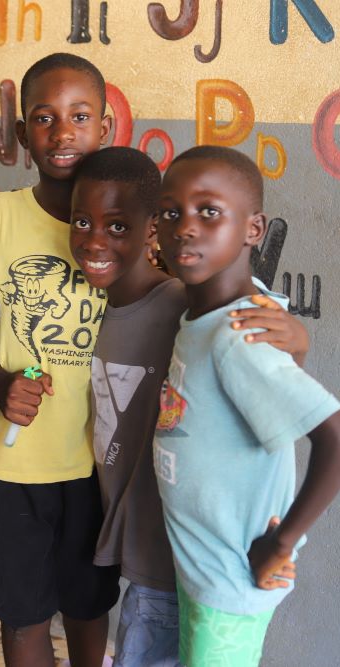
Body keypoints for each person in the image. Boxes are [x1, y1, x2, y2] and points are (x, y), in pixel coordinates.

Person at [68, 146, 309, 667]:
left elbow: (252, 317)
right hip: (156, 556)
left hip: (194, 564)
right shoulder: (113, 308)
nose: (96, 239)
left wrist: (297, 339)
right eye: (174, 213)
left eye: (118, 226)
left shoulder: (191, 306)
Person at [154, 145, 340, 666]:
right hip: (205, 568)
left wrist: (281, 545)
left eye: (209, 212)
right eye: (171, 213)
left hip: (233, 578)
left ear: (253, 229)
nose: (185, 227)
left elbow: (334, 437)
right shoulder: (215, 314)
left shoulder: (239, 334)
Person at [0, 52, 118, 667]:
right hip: (13, 465)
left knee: (89, 609)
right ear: (20, 136)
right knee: (24, 614)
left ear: (106, 128)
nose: (62, 133)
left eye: (80, 116)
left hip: (98, 467)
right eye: (44, 117)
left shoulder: (133, 225)